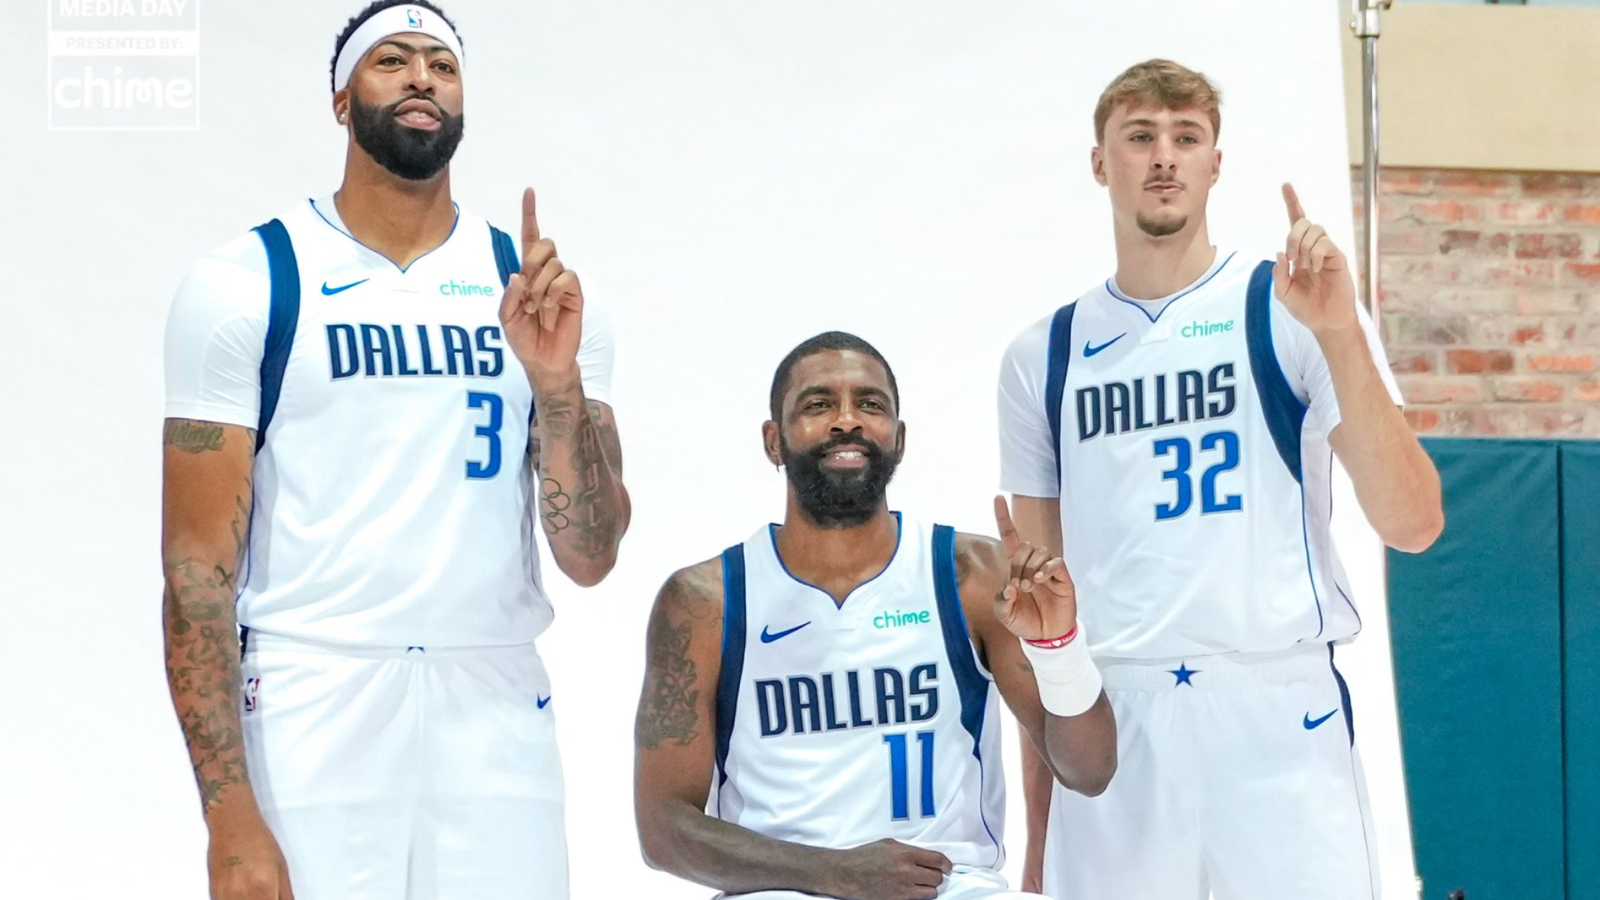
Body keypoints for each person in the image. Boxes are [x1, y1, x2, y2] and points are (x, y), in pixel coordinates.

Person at [159, 3, 629, 898]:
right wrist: (228, 818)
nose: (422, 77)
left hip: (492, 697)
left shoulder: (539, 292)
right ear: (341, 99)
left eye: (442, 66)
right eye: (392, 60)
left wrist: (558, 386)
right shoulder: (246, 281)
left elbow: (591, 554)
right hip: (312, 692)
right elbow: (195, 572)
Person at [996, 59, 1444, 900]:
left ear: (1215, 164)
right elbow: (1042, 626)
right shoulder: (1041, 357)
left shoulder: (1293, 308)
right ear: (1100, 163)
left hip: (1275, 707)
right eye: (1140, 136)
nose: (1164, 155)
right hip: (1113, 719)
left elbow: (1414, 524)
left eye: (1186, 136)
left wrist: (1341, 335)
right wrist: (1039, 838)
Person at [632, 332, 1116, 900]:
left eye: (870, 404)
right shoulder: (704, 601)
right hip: (778, 891)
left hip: (949, 888)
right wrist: (835, 873)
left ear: (899, 439)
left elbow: (1090, 771)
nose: (847, 420)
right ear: (773, 440)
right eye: (818, 404)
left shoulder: (972, 575)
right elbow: (664, 829)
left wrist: (1059, 647)